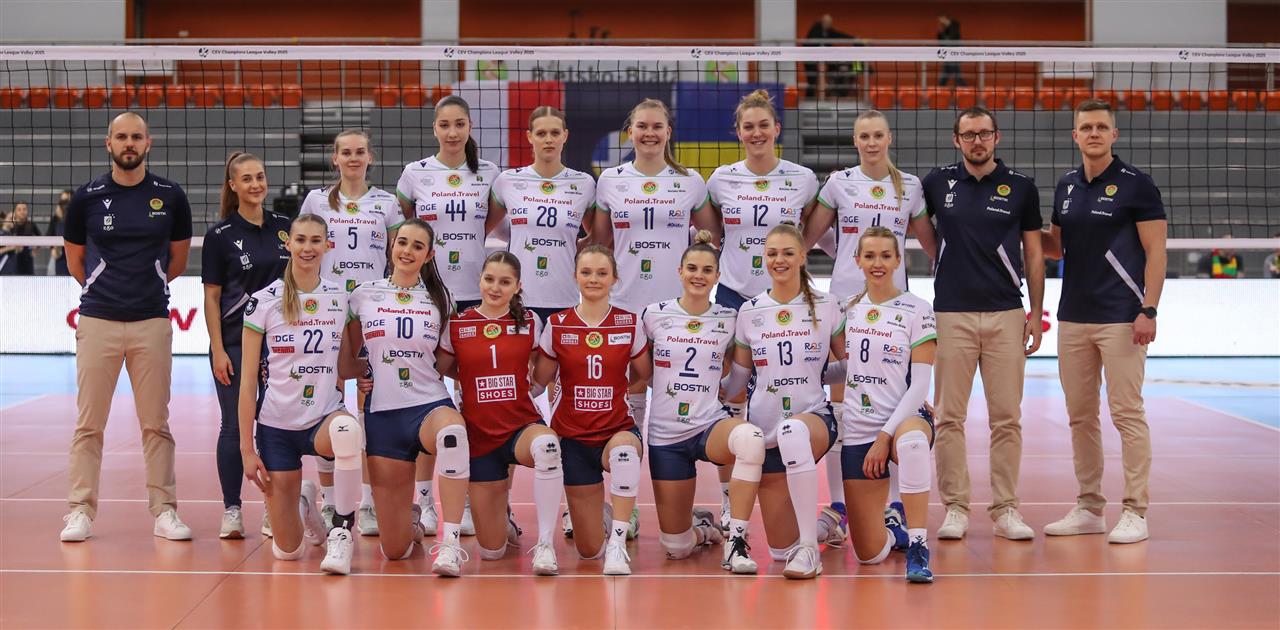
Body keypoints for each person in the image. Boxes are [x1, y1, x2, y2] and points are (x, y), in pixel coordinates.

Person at [802, 109, 936, 549]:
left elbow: (931, 245)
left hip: (894, 308)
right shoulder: (839, 183)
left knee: (893, 404)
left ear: (889, 138)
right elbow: (809, 238)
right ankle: (839, 507)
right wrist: (845, 255)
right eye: (864, 136)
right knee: (843, 406)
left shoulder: (910, 186)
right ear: (855, 141)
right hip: (846, 304)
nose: (871, 142)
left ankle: (895, 506)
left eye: (878, 135)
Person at [59, 112, 193, 543]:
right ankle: (80, 511)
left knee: (156, 424)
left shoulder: (170, 196)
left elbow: (178, 260)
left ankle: (164, 511)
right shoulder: (87, 198)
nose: (129, 143)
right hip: (98, 319)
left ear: (148, 143)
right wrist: (104, 290)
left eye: (136, 136)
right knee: (89, 424)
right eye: (121, 136)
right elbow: (75, 261)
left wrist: (147, 285)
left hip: (151, 320)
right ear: (109, 143)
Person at [1042, 98, 1167, 544]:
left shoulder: (1137, 185)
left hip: (1121, 316)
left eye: (1101, 127)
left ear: (1114, 134)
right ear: (1074, 136)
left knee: (1127, 413)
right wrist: (1012, 228)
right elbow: (1055, 247)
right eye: (1086, 127)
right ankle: (1090, 507)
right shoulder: (1066, 185)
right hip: (1073, 316)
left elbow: (1156, 252)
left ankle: (1135, 511)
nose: (1093, 133)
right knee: (1080, 417)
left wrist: (1148, 309)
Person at [920, 106, 1043, 542]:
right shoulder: (936, 183)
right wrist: (944, 259)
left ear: (997, 137)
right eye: (969, 134)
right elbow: (921, 229)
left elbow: (1034, 254)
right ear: (956, 139)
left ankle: (1006, 508)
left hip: (1006, 313)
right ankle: (955, 508)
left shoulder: (1022, 188)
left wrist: (1036, 313)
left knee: (1006, 418)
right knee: (949, 417)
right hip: (951, 313)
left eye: (984, 133)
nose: (977, 141)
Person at [396, 95, 501, 538]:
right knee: (427, 397)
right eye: (445, 125)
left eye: (460, 124)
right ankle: (423, 502)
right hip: (429, 296)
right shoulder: (415, 173)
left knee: (474, 400)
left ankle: (473, 499)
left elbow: (490, 222)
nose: (453, 132)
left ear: (470, 127)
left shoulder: (490, 173)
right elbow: (406, 228)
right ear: (435, 128)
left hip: (476, 298)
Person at [239, 213, 366, 574]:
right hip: (276, 427)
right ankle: (305, 503)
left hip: (322, 417)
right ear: (288, 244)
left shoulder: (340, 297)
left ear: (328, 245)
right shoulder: (264, 301)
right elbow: (247, 382)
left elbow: (347, 365)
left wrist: (374, 370)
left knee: (348, 430)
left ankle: (341, 530)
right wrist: (247, 450)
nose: (307, 248)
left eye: (315, 240)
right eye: (300, 240)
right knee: (288, 552)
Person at [349, 218, 475, 576]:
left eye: (417, 246)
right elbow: (349, 359)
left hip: (428, 405)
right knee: (395, 551)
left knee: (453, 434)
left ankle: (449, 544)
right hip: (384, 415)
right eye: (402, 242)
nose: (407, 251)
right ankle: (412, 522)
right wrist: (362, 373)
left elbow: (449, 362)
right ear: (392, 245)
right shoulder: (363, 295)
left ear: (429, 255)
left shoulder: (441, 299)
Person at [721, 223, 844, 580]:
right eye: (772, 253)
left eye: (788, 253)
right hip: (766, 429)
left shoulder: (827, 305)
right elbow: (739, 379)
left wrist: (817, 376)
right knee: (779, 550)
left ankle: (810, 549)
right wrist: (704, 391)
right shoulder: (751, 311)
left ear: (803, 256)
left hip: (813, 418)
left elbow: (850, 365)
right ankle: (824, 527)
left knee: (793, 431)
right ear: (764, 258)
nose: (780, 260)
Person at [299, 129, 403, 535]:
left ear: (370, 157)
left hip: (369, 311)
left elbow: (398, 256)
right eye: (346, 152)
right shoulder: (316, 201)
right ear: (335, 158)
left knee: (369, 405)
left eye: (360, 151)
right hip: (327, 309)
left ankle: (370, 501)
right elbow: (304, 252)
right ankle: (328, 501)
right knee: (326, 403)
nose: (353, 158)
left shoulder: (386, 203)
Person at [642, 231, 765, 574]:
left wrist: (722, 392)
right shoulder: (653, 315)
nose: (699, 275)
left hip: (708, 423)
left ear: (717, 276)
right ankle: (704, 530)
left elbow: (741, 370)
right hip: (666, 435)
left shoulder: (729, 317)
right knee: (676, 548)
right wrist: (661, 387)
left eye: (707, 270)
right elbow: (640, 369)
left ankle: (736, 543)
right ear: (680, 271)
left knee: (750, 439)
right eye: (692, 268)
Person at [437, 251, 565, 575]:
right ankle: (501, 518)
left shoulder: (530, 322)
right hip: (480, 436)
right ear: (480, 279)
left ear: (518, 286)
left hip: (521, 426)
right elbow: (443, 368)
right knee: (492, 552)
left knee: (548, 447)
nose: (495, 288)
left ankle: (545, 545)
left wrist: (531, 387)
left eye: (505, 282)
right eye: (490, 279)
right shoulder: (458, 324)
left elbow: (544, 367)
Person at [593, 97, 712, 443]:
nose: (650, 133)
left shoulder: (690, 180)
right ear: (630, 132)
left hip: (674, 303)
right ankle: (630, 457)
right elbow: (599, 244)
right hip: (624, 299)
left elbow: (711, 237)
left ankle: (672, 456)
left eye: (657, 126)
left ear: (668, 132)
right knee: (628, 386)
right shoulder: (610, 180)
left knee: (671, 386)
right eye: (642, 126)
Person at [532, 246, 650, 575]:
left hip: (617, 429)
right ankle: (605, 519)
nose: (593, 279)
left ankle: (618, 543)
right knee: (587, 551)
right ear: (575, 277)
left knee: (625, 455)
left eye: (601, 273)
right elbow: (539, 382)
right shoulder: (557, 324)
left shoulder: (629, 323)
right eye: (586, 272)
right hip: (573, 437)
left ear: (615, 278)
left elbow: (646, 374)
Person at [830, 226, 938, 582]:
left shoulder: (917, 309)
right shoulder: (847, 309)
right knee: (869, 555)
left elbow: (920, 383)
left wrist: (885, 435)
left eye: (886, 256)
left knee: (912, 442)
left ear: (897, 261)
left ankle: (919, 547)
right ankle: (894, 533)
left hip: (904, 418)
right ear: (857, 260)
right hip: (859, 426)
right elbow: (843, 368)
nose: (878, 263)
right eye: (870, 256)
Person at [201, 152, 291, 539]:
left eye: (260, 176)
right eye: (247, 179)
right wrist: (218, 349)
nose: (256, 184)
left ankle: (273, 509)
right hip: (235, 343)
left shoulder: (285, 227)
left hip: (281, 345)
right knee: (234, 427)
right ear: (233, 185)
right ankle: (232, 509)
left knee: (273, 426)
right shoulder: (219, 236)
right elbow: (211, 297)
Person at [490, 106, 597, 327]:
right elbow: (484, 227)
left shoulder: (584, 183)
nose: (549, 139)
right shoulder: (507, 181)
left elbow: (597, 237)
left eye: (555, 133)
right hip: (518, 298)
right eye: (541, 133)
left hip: (565, 297)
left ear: (565, 135)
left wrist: (575, 246)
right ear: (530, 137)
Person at [803, 14, 857, 99]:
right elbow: (814, 41)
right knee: (812, 79)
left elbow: (838, 35)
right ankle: (809, 97)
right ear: (823, 21)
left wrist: (853, 39)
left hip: (824, 57)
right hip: (809, 57)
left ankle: (836, 92)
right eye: (827, 22)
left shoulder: (829, 30)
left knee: (835, 68)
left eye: (830, 23)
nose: (829, 24)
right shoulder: (816, 29)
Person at [7, 201, 40, 275]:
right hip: (13, 259)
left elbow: (41, 239)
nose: (22, 212)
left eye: (24, 209)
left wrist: (35, 249)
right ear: (15, 212)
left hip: (28, 259)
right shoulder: (11, 226)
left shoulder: (31, 225)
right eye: (19, 209)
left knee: (29, 280)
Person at [47, 190, 72, 276]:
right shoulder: (56, 219)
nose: (64, 205)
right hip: (61, 259)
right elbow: (49, 235)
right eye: (62, 201)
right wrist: (53, 248)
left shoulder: (77, 217)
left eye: (66, 201)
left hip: (74, 257)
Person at [937, 15, 965, 87]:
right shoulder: (945, 29)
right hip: (947, 55)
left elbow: (953, 37)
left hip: (954, 54)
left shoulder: (954, 26)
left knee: (956, 72)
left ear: (945, 18)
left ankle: (963, 87)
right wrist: (940, 33)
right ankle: (940, 88)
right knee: (946, 72)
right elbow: (941, 42)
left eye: (941, 20)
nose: (941, 22)